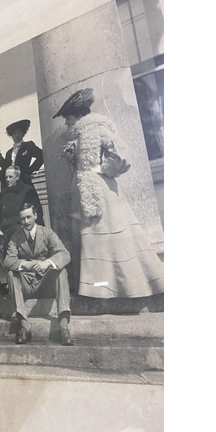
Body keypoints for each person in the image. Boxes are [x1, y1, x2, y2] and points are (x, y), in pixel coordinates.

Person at [54, 87, 164, 298]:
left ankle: (125, 287)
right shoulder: (78, 137)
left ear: (77, 116)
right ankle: (98, 289)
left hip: (100, 193)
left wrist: (102, 170)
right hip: (83, 195)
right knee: (93, 241)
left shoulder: (97, 129)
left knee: (109, 236)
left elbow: (122, 155)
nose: (66, 123)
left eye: (68, 118)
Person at [4, 203, 73, 345]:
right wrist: (25, 264)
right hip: (26, 286)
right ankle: (24, 327)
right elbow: (8, 260)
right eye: (23, 219)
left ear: (35, 215)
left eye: (29, 217)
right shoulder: (15, 237)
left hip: (44, 284)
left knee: (61, 270)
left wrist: (47, 263)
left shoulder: (47, 232)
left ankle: (64, 327)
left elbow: (65, 254)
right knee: (12, 274)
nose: (26, 222)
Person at [0, 165, 44, 289]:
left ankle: (24, 279)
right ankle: (7, 281)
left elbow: (34, 213)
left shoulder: (27, 190)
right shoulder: (2, 194)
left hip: (21, 230)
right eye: (6, 177)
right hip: (4, 231)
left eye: (10, 177)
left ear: (17, 177)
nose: (8, 180)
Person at [1, 119, 44, 187]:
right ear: (12, 135)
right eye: (14, 133)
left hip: (24, 183)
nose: (16, 135)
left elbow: (41, 155)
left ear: (22, 133)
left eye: (19, 132)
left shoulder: (28, 146)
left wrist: (30, 171)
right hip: (11, 185)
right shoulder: (9, 153)